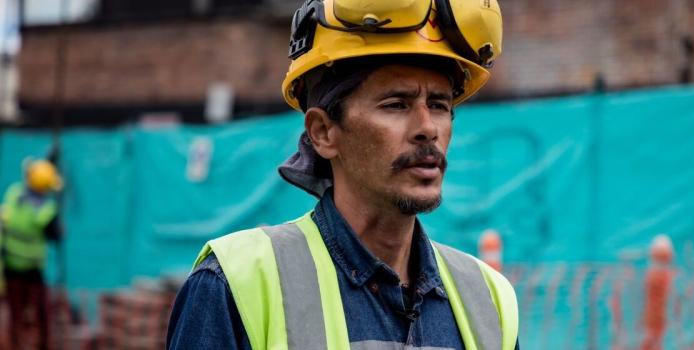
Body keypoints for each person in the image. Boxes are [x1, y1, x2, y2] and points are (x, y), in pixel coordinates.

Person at [167, 0, 518, 349]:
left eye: (439, 105)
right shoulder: (234, 284)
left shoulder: (488, 300)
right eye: (396, 104)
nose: (428, 128)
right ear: (323, 132)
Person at [1, 158, 63, 350]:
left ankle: (16, 342)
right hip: (32, 269)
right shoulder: (45, 209)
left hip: (10, 264)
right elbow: (56, 234)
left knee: (16, 312)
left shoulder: (14, 193)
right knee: (39, 314)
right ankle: (40, 344)